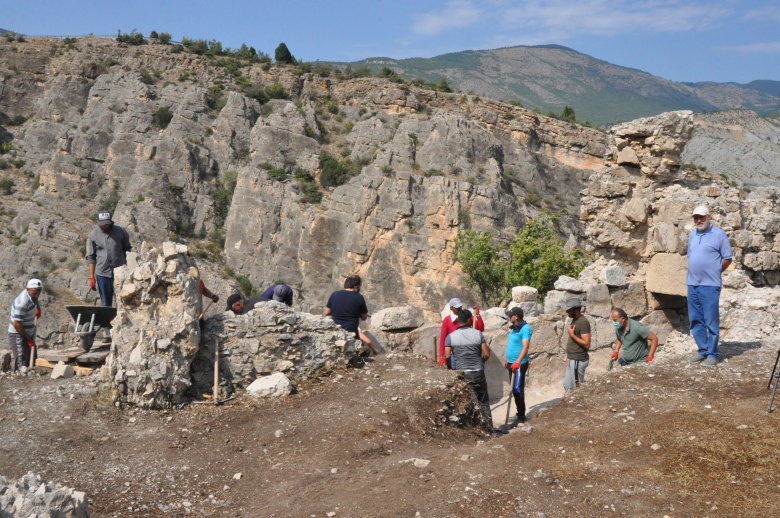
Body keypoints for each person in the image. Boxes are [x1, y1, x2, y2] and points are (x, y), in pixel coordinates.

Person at [687, 205, 732, 367]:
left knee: (711, 320)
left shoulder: (719, 235)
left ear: (709, 217)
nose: (699, 220)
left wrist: (715, 271)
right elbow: (691, 257)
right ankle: (702, 350)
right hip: (692, 284)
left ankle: (713, 354)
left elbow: (727, 258)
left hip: (710, 285)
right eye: (696, 217)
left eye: (701, 217)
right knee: (695, 319)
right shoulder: (692, 235)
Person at [444, 309, 493, 431]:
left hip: (463, 374)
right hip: (478, 372)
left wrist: (450, 368)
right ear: (468, 320)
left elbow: (447, 356)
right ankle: (488, 428)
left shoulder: (450, 337)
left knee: (467, 402)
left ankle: (473, 430)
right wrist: (482, 361)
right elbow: (487, 353)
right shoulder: (477, 334)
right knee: (483, 402)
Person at [86, 210, 132, 307]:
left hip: (119, 272)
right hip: (102, 273)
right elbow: (91, 257)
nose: (105, 226)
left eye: (107, 224)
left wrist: (128, 266)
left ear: (110, 222)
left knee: (123, 300)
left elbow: (127, 249)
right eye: (102, 225)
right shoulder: (93, 235)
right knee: (105, 303)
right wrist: (91, 277)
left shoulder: (121, 231)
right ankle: (106, 321)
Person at [324, 274, 379, 355]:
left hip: (335, 331)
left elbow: (327, 312)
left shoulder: (334, 294)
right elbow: (364, 317)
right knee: (364, 351)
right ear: (356, 286)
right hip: (351, 332)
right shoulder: (359, 297)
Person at [8, 279, 42, 373]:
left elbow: (35, 299)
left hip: (27, 333)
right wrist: (28, 340)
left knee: (32, 360)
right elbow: (16, 324)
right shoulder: (22, 303)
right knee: (21, 365)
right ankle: (20, 381)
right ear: (28, 289)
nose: (37, 295)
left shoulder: (33, 295)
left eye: (39, 292)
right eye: (35, 292)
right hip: (18, 334)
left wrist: (37, 309)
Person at [504, 307, 531, 424]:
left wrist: (517, 362)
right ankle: (519, 413)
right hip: (511, 362)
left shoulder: (526, 329)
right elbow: (512, 345)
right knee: (514, 390)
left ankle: (521, 416)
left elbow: (525, 347)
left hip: (519, 364)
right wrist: (508, 360)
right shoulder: (514, 329)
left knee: (517, 389)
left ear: (516, 317)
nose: (509, 317)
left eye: (511, 315)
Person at [439, 297, 484, 367]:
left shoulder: (467, 316)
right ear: (451, 308)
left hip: (468, 351)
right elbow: (443, 339)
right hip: (454, 353)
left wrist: (478, 316)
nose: (459, 308)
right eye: (457, 307)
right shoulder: (447, 320)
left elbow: (480, 329)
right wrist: (441, 356)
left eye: (460, 306)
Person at [563, 296, 591, 394]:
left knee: (576, 388)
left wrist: (572, 335)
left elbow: (587, 344)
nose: (567, 312)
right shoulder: (575, 320)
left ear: (575, 310)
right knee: (567, 385)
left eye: (569, 310)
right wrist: (568, 356)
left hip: (578, 360)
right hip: (573, 359)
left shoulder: (583, 322)